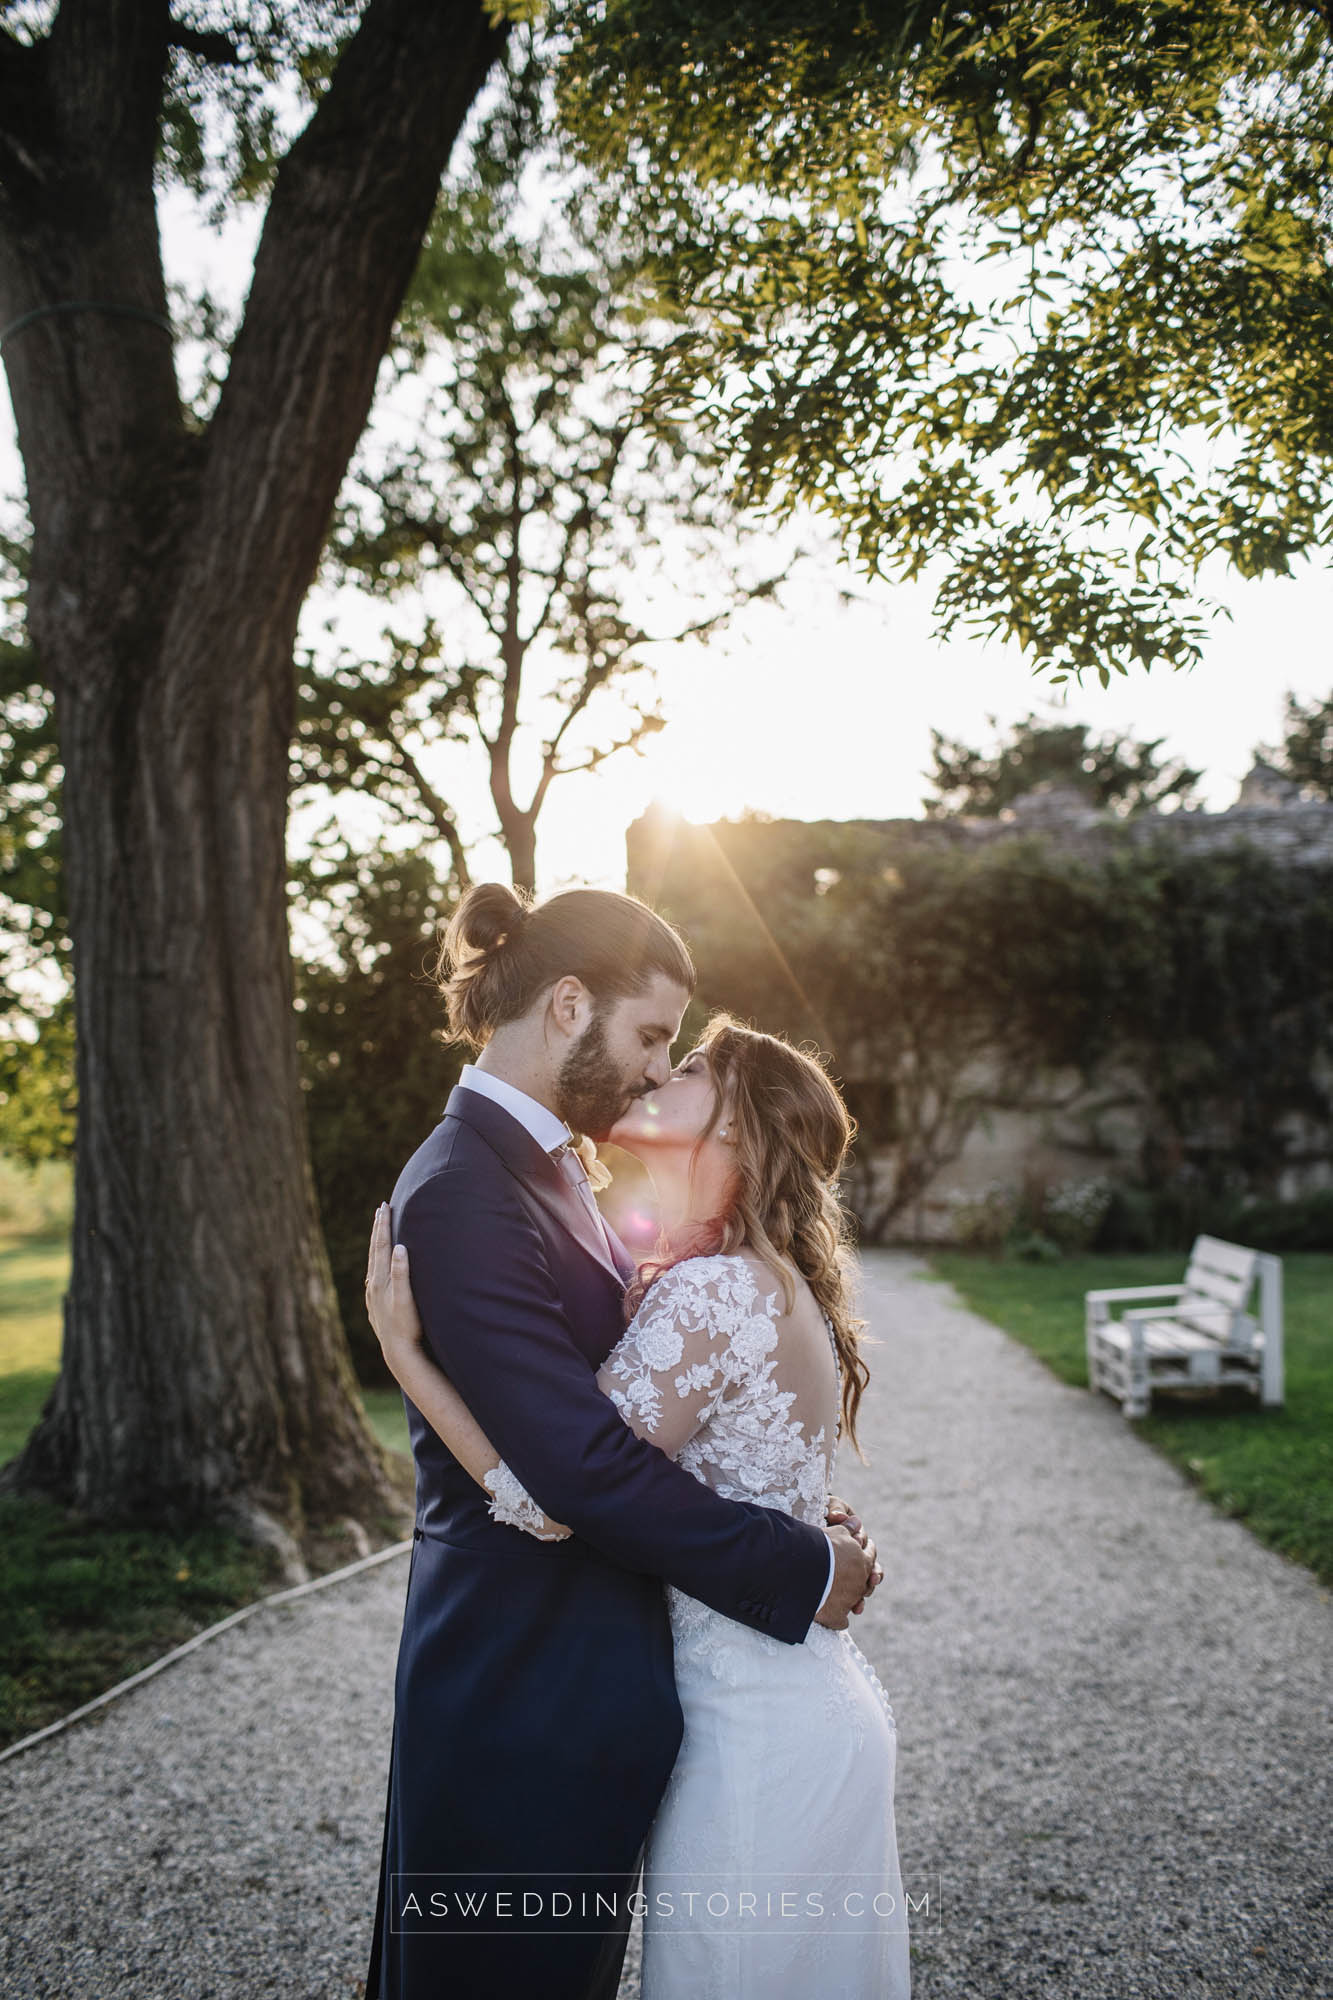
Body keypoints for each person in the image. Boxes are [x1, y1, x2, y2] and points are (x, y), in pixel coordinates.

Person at [362, 883, 881, 2000]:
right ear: (564, 1004)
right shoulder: (464, 1189)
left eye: (674, 1052)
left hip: (588, 1694)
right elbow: (581, 1469)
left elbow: (638, 1430)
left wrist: (787, 1507)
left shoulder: (547, 1170)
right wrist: (797, 1560)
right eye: (651, 1035)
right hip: (516, 1694)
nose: (656, 1066)